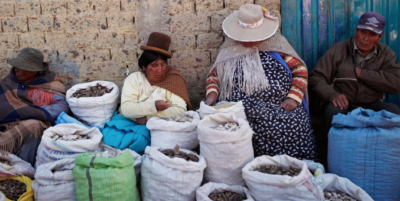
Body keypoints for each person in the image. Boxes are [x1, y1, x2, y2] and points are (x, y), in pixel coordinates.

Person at [204, 4, 318, 161]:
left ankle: (292, 165)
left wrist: (293, 97)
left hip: (279, 104)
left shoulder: (277, 43)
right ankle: (251, 166)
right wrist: (211, 94)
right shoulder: (229, 47)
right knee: (240, 126)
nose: (246, 40)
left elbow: (300, 70)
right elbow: (214, 75)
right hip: (241, 106)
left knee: (297, 122)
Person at [309, 12, 400, 131]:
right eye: (362, 32)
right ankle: (334, 149)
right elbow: (315, 78)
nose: (365, 39)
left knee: (392, 111)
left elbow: (396, 83)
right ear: (356, 30)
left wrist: (364, 74)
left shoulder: (386, 54)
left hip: (371, 105)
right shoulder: (338, 50)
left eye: (372, 34)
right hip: (343, 105)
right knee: (332, 111)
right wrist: (332, 95)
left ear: (380, 37)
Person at [102, 32, 191, 153]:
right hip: (127, 120)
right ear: (144, 67)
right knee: (109, 135)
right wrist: (154, 106)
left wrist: (149, 116)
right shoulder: (134, 79)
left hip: (156, 123)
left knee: (143, 139)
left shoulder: (173, 79)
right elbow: (127, 109)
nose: (160, 70)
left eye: (163, 64)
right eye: (154, 65)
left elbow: (180, 110)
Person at [0, 47, 69, 165]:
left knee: (34, 126)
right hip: (7, 123)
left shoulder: (49, 85)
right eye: (16, 66)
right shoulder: (9, 81)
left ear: (33, 71)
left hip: (34, 124)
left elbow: (63, 106)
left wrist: (35, 112)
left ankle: (24, 164)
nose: (16, 70)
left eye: (21, 68)